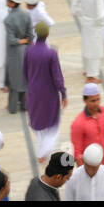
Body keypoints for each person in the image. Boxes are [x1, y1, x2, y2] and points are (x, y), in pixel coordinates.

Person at [23, 22, 66, 160]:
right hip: (49, 94)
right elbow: (57, 76)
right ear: (47, 34)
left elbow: (24, 72)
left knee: (38, 123)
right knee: (53, 125)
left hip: (34, 93)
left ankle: (42, 151)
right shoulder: (51, 53)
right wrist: (63, 93)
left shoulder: (29, 51)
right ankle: (44, 152)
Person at [70, 0, 104, 80]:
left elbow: (74, 8)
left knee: (86, 46)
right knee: (95, 50)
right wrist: (99, 24)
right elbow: (101, 15)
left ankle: (86, 70)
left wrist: (82, 14)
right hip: (95, 25)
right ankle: (92, 75)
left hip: (85, 23)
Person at [2, 0, 34, 114]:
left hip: (14, 52)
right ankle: (24, 106)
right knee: (24, 79)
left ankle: (12, 107)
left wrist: (21, 41)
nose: (6, 2)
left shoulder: (8, 19)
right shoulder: (26, 14)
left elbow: (11, 40)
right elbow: (31, 34)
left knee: (14, 80)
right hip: (26, 50)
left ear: (12, 3)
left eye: (8, 0)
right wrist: (26, 41)